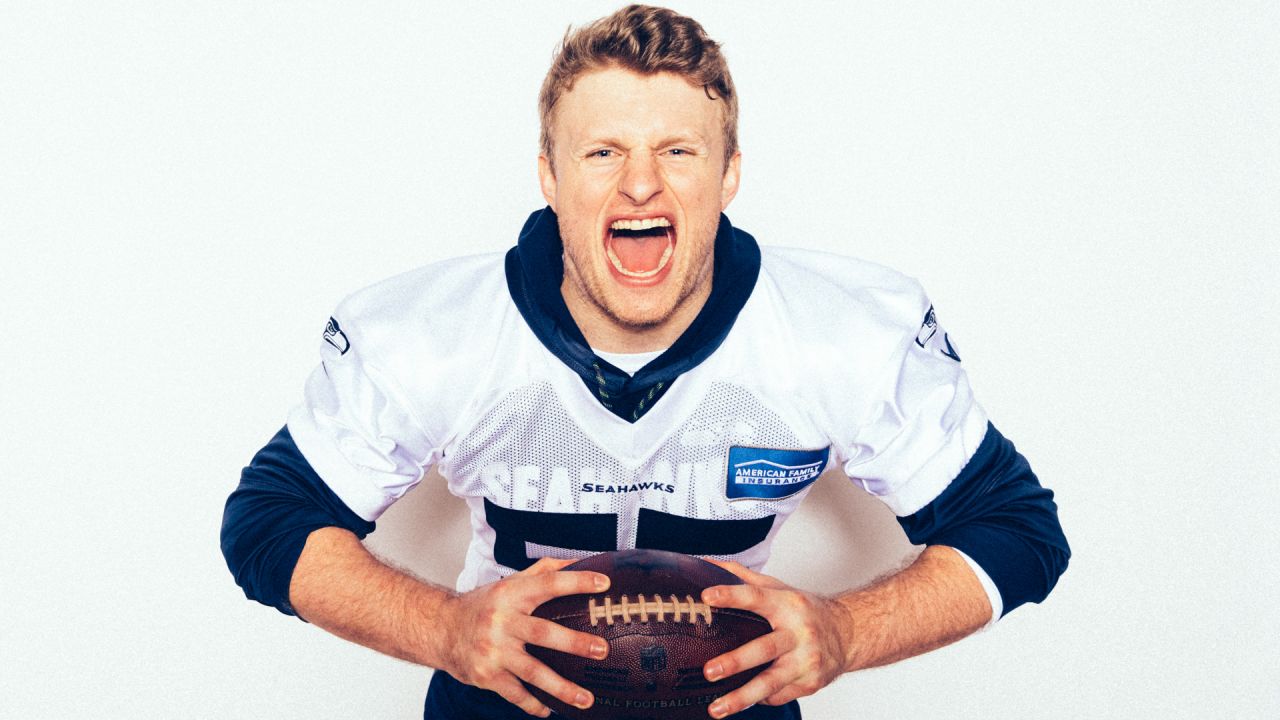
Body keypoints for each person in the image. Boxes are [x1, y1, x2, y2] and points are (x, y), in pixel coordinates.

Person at [221, 5, 1069, 719]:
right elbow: (267, 521)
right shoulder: (432, 331)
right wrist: (445, 628)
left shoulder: (837, 329)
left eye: (677, 150)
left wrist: (848, 631)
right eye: (603, 152)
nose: (639, 186)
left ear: (729, 174)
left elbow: (1017, 529)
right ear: (549, 176)